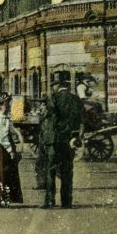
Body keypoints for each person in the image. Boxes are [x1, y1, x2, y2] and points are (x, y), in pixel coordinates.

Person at [40, 80, 84, 209]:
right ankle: (66, 202)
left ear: (57, 87)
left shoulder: (53, 98)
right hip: (69, 140)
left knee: (50, 170)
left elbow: (50, 119)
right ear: (68, 87)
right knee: (67, 170)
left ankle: (49, 201)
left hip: (54, 140)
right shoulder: (76, 100)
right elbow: (82, 121)